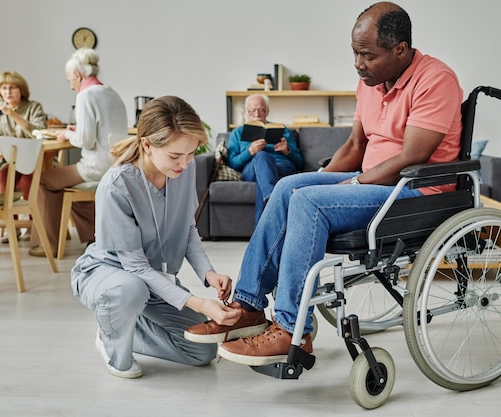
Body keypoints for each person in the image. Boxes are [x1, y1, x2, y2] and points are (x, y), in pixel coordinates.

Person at [185, 1, 463, 366]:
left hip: (415, 191)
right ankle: (249, 306)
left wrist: (348, 186)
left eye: (367, 55)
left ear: (400, 50)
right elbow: (354, 146)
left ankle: (291, 331)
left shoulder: (436, 80)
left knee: (308, 202)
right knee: (288, 188)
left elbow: (411, 157)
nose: (358, 64)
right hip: (374, 184)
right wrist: (319, 179)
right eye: (354, 53)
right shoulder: (371, 83)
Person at [71, 96, 243, 378]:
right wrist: (199, 303)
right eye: (176, 156)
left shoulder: (182, 171)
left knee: (202, 351)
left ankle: (121, 325)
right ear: (147, 145)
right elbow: (136, 268)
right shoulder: (117, 186)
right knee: (130, 289)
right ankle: (112, 337)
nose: (185, 164)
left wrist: (209, 274)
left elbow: (187, 229)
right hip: (112, 276)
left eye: (191, 154)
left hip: (151, 281)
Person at [28, 48, 127, 257]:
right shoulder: (112, 93)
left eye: (69, 80)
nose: (71, 85)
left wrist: (66, 134)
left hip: (95, 167)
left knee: (44, 181)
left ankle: (48, 245)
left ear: (78, 76)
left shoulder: (85, 95)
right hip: (117, 164)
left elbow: (85, 140)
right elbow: (100, 131)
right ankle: (94, 236)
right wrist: (76, 130)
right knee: (67, 186)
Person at [0, 71, 47, 242]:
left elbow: (39, 131)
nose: (8, 92)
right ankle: (11, 227)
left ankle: (31, 227)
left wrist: (13, 115)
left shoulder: (34, 106)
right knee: (4, 176)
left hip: (33, 160)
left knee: (29, 179)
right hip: (9, 162)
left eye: (13, 88)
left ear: (21, 90)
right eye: (4, 88)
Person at [226, 94, 303, 224]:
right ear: (246, 112)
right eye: (252, 110)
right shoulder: (237, 132)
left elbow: (300, 163)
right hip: (252, 169)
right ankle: (272, 198)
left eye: (261, 109)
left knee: (264, 179)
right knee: (261, 156)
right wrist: (250, 152)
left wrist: (287, 151)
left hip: (281, 167)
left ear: (267, 112)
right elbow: (233, 163)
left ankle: (261, 227)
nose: (257, 113)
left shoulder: (282, 130)